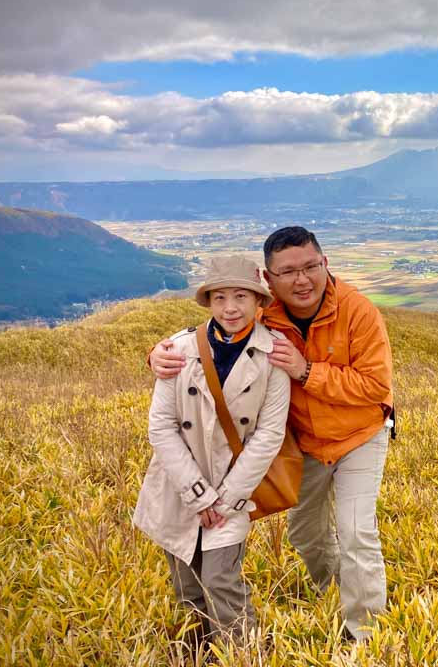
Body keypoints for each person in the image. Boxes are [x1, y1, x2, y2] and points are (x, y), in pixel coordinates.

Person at [149, 227, 394, 642]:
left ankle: (365, 634)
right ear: (269, 280)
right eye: (288, 272)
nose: (302, 280)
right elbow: (217, 330)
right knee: (306, 534)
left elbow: (376, 387)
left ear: (325, 264)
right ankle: (334, 589)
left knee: (356, 533)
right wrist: (155, 354)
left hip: (358, 436)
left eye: (310, 267)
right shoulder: (267, 313)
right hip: (305, 442)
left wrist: (307, 372)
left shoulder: (359, 311)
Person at [133, 255, 291, 650]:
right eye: (220, 297)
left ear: (258, 302)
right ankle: (199, 653)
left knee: (221, 580)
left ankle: (245, 653)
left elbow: (269, 434)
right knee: (187, 583)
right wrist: (197, 493)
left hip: (233, 488)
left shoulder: (273, 355)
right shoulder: (179, 349)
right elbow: (162, 427)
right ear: (209, 302)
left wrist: (224, 499)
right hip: (180, 483)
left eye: (241, 296)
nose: (231, 308)